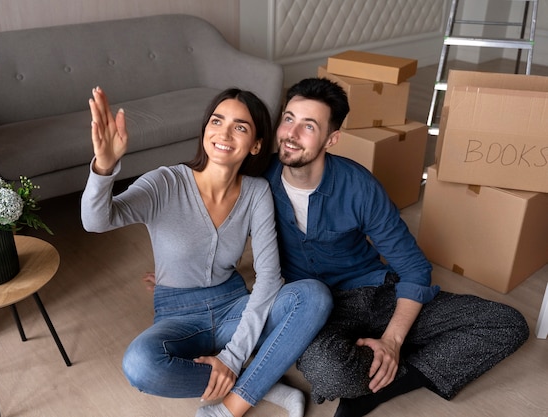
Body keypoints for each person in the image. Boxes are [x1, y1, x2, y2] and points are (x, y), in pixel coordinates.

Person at [262, 77, 530, 417]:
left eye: (308, 126)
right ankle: (399, 359)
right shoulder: (261, 178)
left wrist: (392, 340)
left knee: (507, 323)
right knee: (329, 373)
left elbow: (415, 268)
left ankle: (385, 382)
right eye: (288, 118)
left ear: (332, 139)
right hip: (314, 309)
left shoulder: (359, 186)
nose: (291, 133)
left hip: (374, 293)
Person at [81, 86, 333, 417]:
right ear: (205, 130)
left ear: (256, 144)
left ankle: (227, 409)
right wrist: (103, 168)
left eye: (240, 126)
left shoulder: (257, 193)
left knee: (314, 296)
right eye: (216, 121)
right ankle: (262, 383)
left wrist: (233, 354)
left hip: (234, 306)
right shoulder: (166, 183)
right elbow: (96, 221)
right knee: (141, 365)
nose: (224, 133)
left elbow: (270, 277)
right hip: (177, 314)